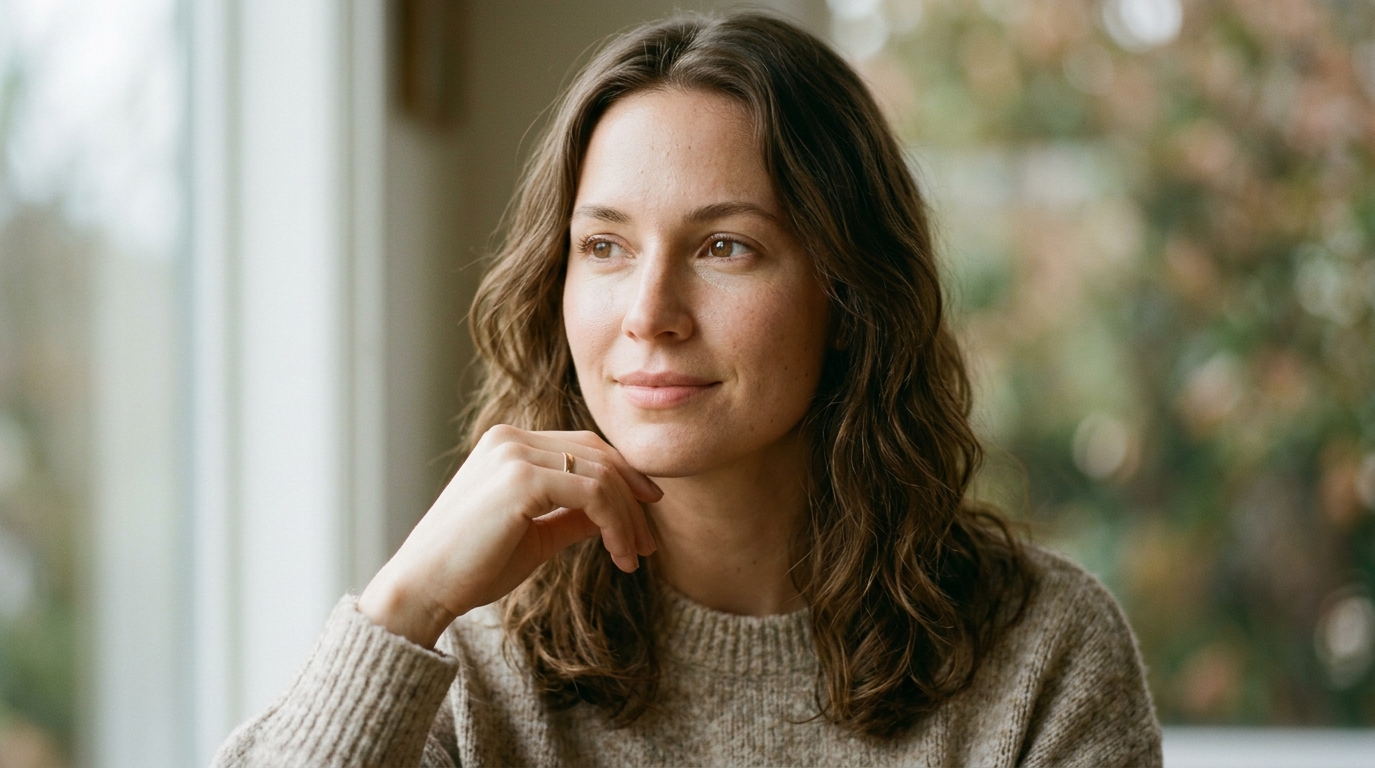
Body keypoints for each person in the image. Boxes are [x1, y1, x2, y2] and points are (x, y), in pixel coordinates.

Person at [212, 11, 1161, 767]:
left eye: (724, 247)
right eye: (606, 247)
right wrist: (405, 604)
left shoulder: (1043, 652)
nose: (649, 312)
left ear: (851, 292)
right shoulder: (466, 661)